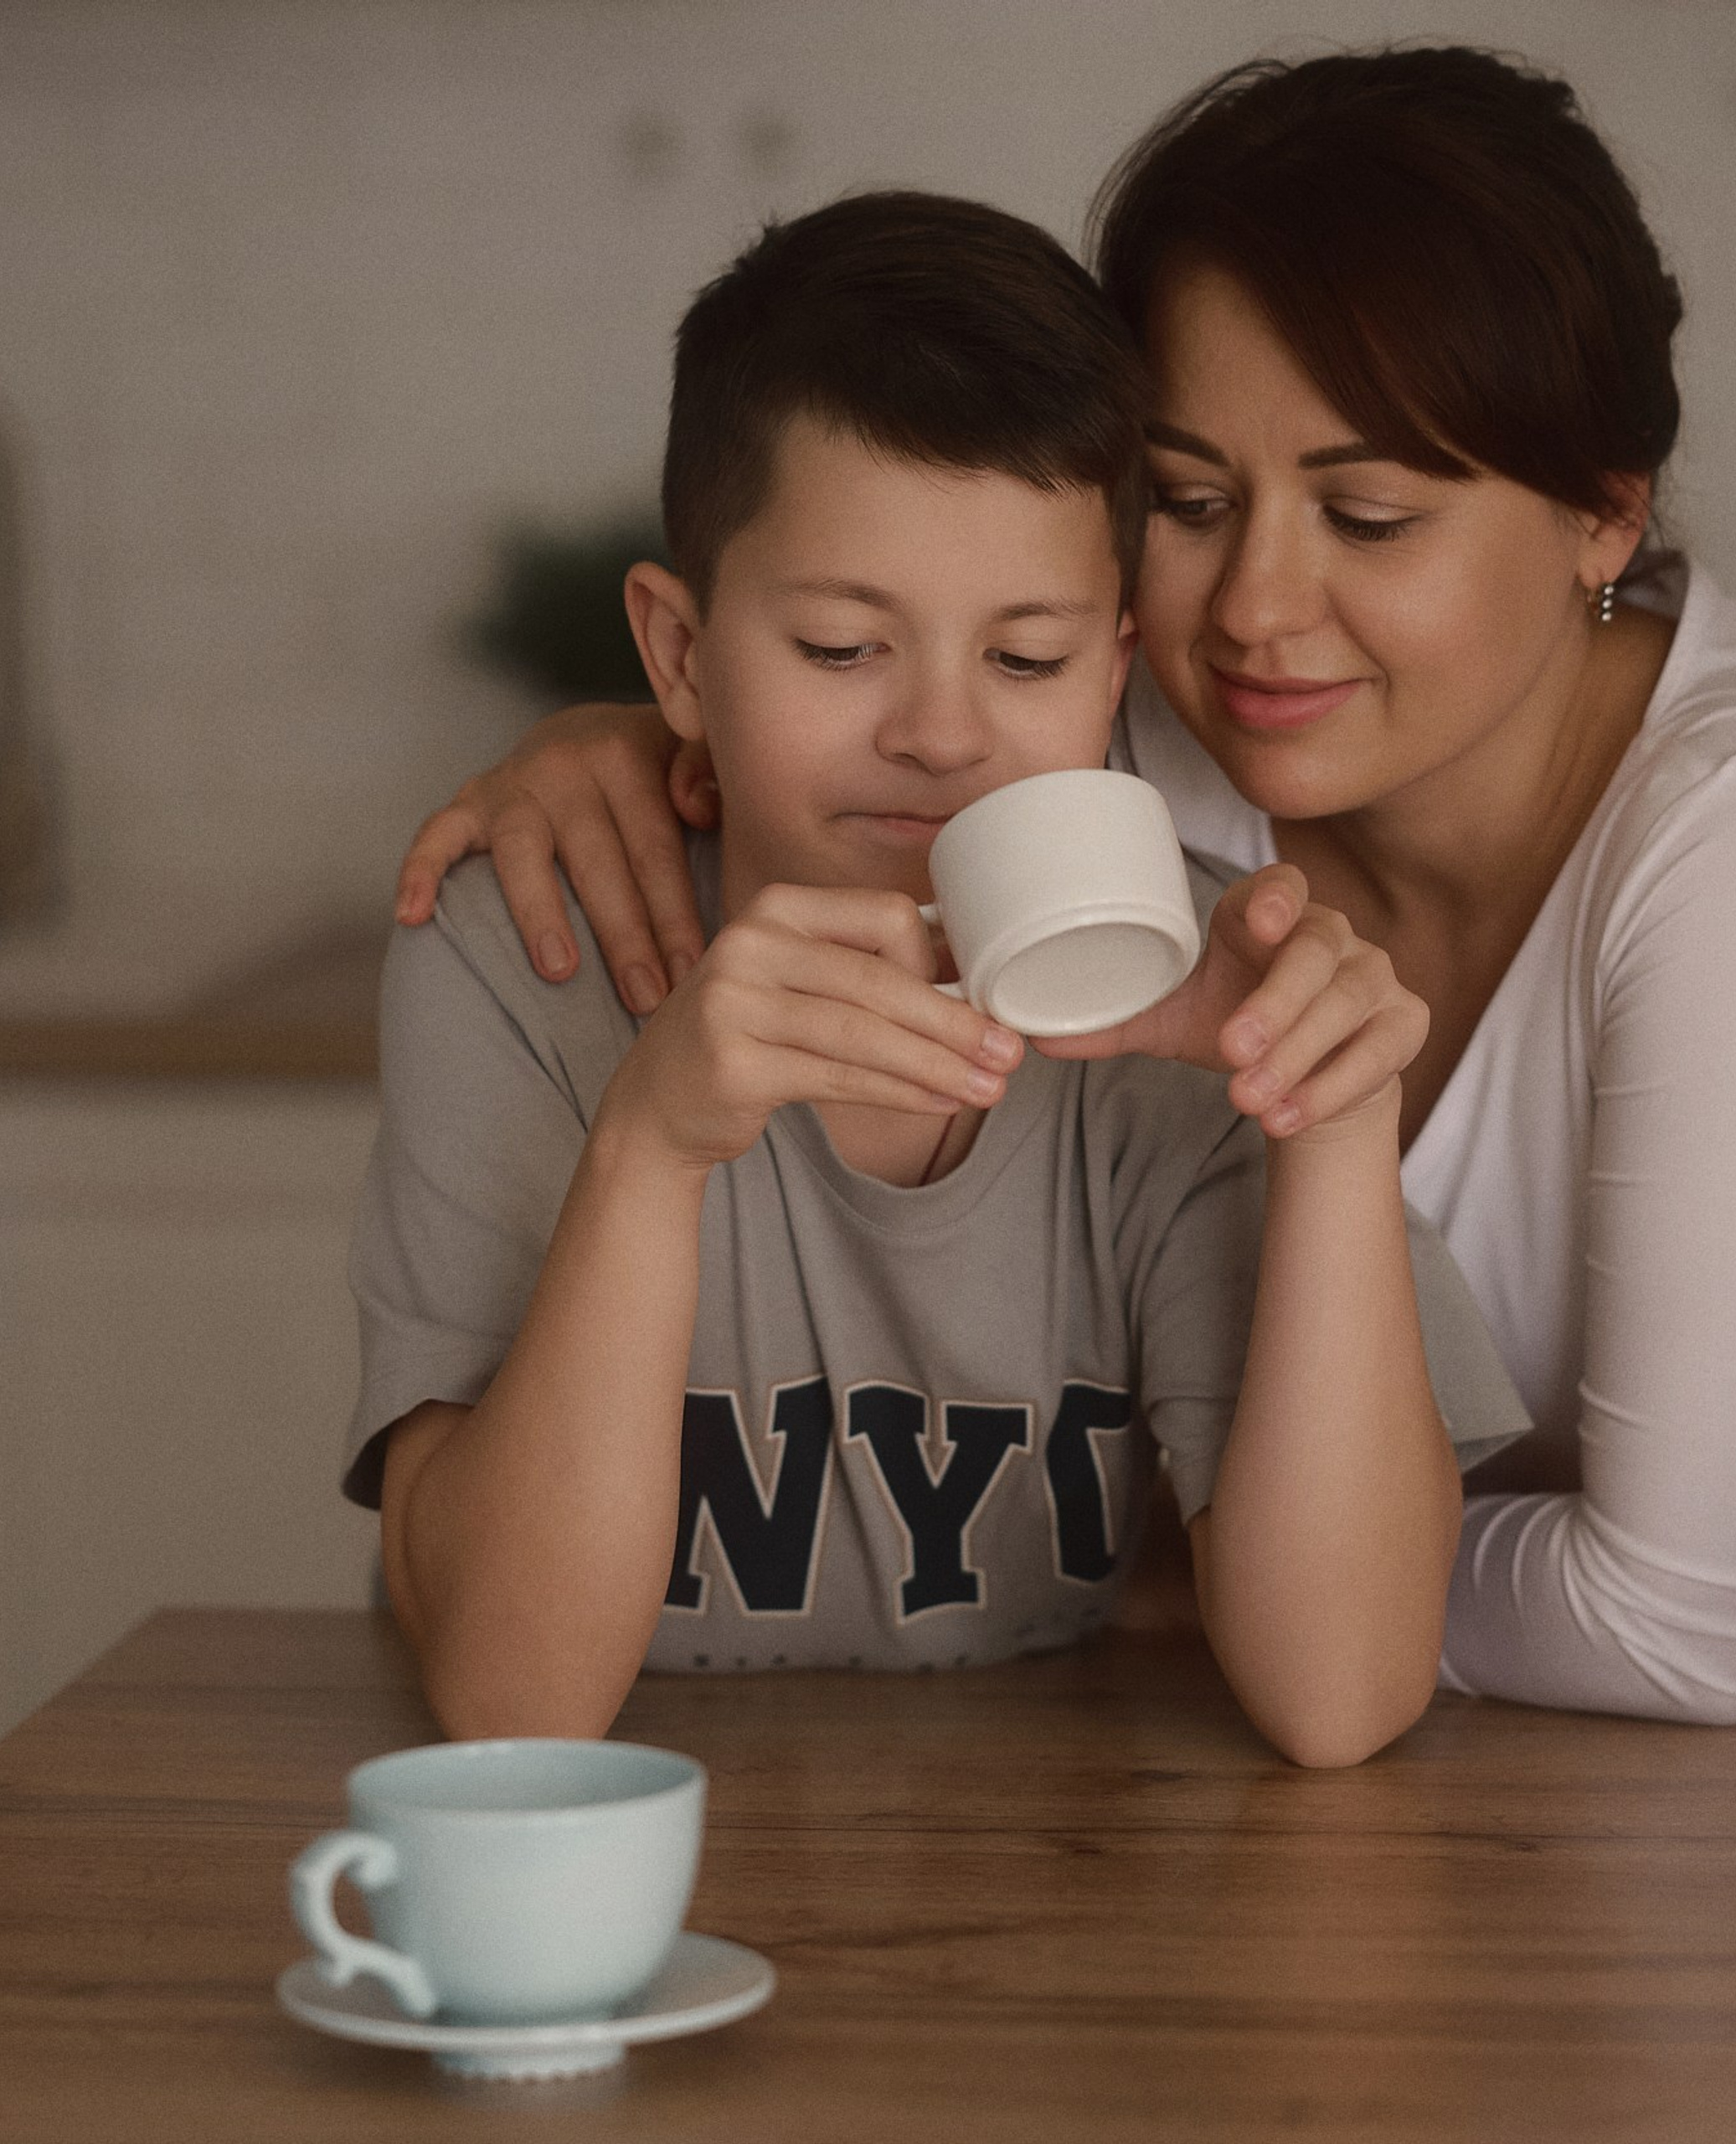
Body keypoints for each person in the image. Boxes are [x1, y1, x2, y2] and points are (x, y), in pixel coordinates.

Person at [397, 45, 1736, 1728]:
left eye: (1367, 517)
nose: (1251, 610)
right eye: (1185, 499)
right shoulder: (1156, 735)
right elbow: (916, 661)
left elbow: (1678, 1625)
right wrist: (640, 743)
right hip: (1380, 1738)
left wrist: (1188, 1566)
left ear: (1604, 515)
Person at [347, 189, 1530, 1765]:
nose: (942, 734)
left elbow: (1341, 1696)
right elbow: (514, 1709)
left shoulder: (1203, 990)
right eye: (844, 649)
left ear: (1115, 669)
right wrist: (652, 1142)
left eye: (1027, 660)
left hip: (1038, 1844)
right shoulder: (528, 952)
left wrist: (1327, 1125)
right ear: (680, 655)